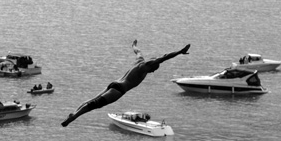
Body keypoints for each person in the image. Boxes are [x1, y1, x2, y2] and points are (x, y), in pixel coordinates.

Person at [61, 40, 190, 127]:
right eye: (155, 68)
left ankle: (74, 113)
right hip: (119, 89)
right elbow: (165, 56)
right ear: (153, 65)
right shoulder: (145, 66)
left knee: (93, 100)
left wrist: (134, 44)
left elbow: (137, 51)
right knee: (95, 105)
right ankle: (74, 116)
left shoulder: (139, 60)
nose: (154, 70)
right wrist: (180, 52)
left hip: (114, 83)